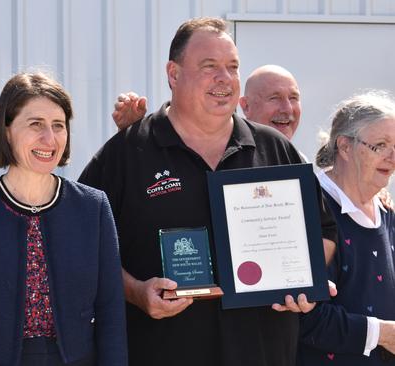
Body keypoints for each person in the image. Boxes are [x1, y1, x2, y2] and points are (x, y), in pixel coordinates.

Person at [79, 17, 337, 366]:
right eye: (209, 66)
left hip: (263, 352)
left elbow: (324, 232)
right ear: (173, 74)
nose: (225, 79)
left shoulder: (273, 147)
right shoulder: (127, 152)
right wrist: (136, 292)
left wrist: (302, 281)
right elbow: (85, 246)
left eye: (232, 67)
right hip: (162, 351)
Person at [0, 72, 127, 365]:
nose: (49, 138)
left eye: (58, 126)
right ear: (6, 131)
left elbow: (111, 313)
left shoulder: (93, 207)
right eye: (35, 124)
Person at [298, 91, 395, 365]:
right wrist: (383, 333)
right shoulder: (311, 207)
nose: (392, 156)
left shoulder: (386, 210)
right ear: (345, 146)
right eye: (380, 145)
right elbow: (308, 317)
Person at [113, 64, 302, 140]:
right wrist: (130, 135)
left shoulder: (297, 161)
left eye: (294, 98)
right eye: (274, 98)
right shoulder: (216, 149)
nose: (287, 109)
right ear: (245, 106)